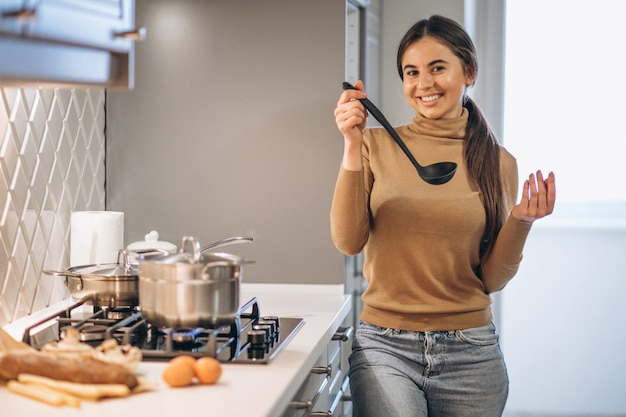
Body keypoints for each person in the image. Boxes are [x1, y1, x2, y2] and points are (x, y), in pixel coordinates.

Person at [330, 15, 556, 417]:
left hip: (471, 352)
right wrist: (351, 146)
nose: (424, 84)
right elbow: (348, 241)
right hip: (385, 345)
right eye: (411, 72)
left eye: (437, 68)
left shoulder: (498, 163)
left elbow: (491, 279)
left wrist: (521, 221)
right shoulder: (374, 145)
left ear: (467, 71)